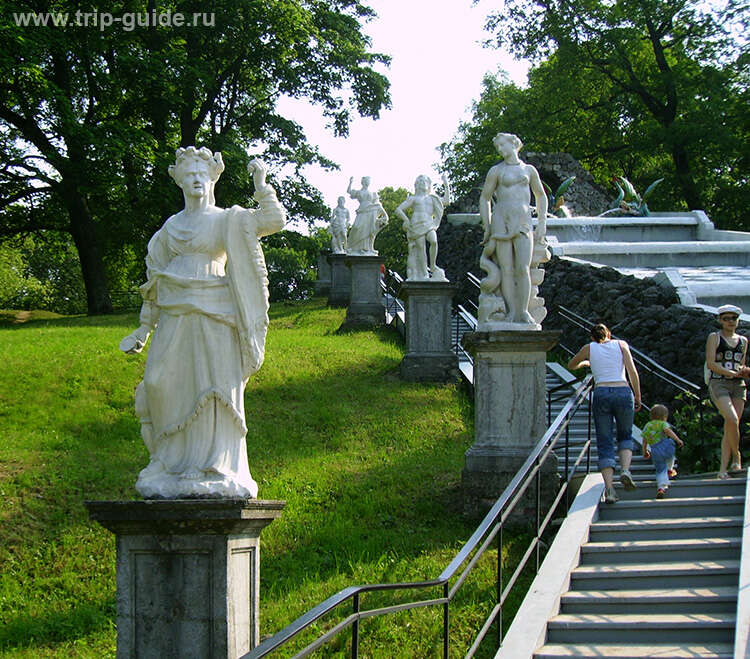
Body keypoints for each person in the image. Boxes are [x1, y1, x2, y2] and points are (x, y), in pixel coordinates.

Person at [119, 147, 285, 499]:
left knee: (214, 386)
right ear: (179, 181)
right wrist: (143, 329)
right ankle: (168, 461)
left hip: (216, 308)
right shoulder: (171, 227)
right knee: (159, 382)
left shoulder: (228, 219)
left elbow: (273, 220)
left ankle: (215, 464)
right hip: (175, 308)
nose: (196, 179)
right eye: (189, 174)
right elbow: (154, 282)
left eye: (202, 174)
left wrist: (261, 184)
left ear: (212, 178)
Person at [477, 132, 548, 326]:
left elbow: (541, 196)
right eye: (497, 147)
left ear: (513, 143)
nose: (500, 149)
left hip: (523, 221)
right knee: (506, 269)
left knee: (523, 268)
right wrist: (487, 226)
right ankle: (511, 312)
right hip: (501, 220)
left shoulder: (529, 170)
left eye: (502, 145)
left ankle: (523, 312)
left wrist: (542, 222)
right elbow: (485, 198)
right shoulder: (496, 171)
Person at [568, 323, 642, 504]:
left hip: (601, 392)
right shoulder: (621, 344)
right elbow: (632, 371)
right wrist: (638, 395)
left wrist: (587, 362)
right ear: (609, 334)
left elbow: (571, 365)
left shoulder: (589, 348)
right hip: (623, 390)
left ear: (592, 337)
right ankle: (625, 470)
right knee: (625, 435)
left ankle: (610, 490)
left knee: (604, 440)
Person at [705, 304, 749, 479]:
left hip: (738, 385)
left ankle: (723, 469)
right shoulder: (714, 337)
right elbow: (710, 363)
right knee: (731, 418)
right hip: (719, 383)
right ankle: (737, 456)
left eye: (734, 318)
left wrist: (743, 371)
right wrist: (729, 373)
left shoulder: (743, 341)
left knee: (731, 425)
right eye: (726, 318)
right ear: (720, 320)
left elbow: (741, 363)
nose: (731, 321)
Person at [395, 174, 451, 281]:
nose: (423, 184)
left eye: (425, 182)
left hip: (429, 224)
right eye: (420, 182)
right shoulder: (413, 198)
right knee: (421, 249)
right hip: (416, 225)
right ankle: (424, 273)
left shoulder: (432, 198)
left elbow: (446, 201)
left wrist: (446, 184)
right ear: (416, 185)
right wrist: (406, 220)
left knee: (434, 241)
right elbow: (398, 210)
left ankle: (433, 266)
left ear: (429, 185)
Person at [642, 404, 684, 498]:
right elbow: (668, 432)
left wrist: (645, 451)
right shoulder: (663, 424)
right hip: (665, 447)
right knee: (671, 455)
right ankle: (669, 469)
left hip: (655, 450)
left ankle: (661, 488)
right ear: (664, 417)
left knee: (660, 470)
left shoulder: (647, 425)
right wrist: (678, 439)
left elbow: (644, 440)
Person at [346, 176, 387, 254]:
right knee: (356, 227)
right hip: (362, 211)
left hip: (371, 212)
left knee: (369, 230)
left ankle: (368, 248)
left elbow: (378, 205)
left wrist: (385, 215)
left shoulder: (373, 193)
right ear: (363, 182)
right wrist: (350, 182)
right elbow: (349, 191)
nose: (368, 182)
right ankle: (354, 247)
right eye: (367, 181)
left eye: (369, 181)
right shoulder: (359, 192)